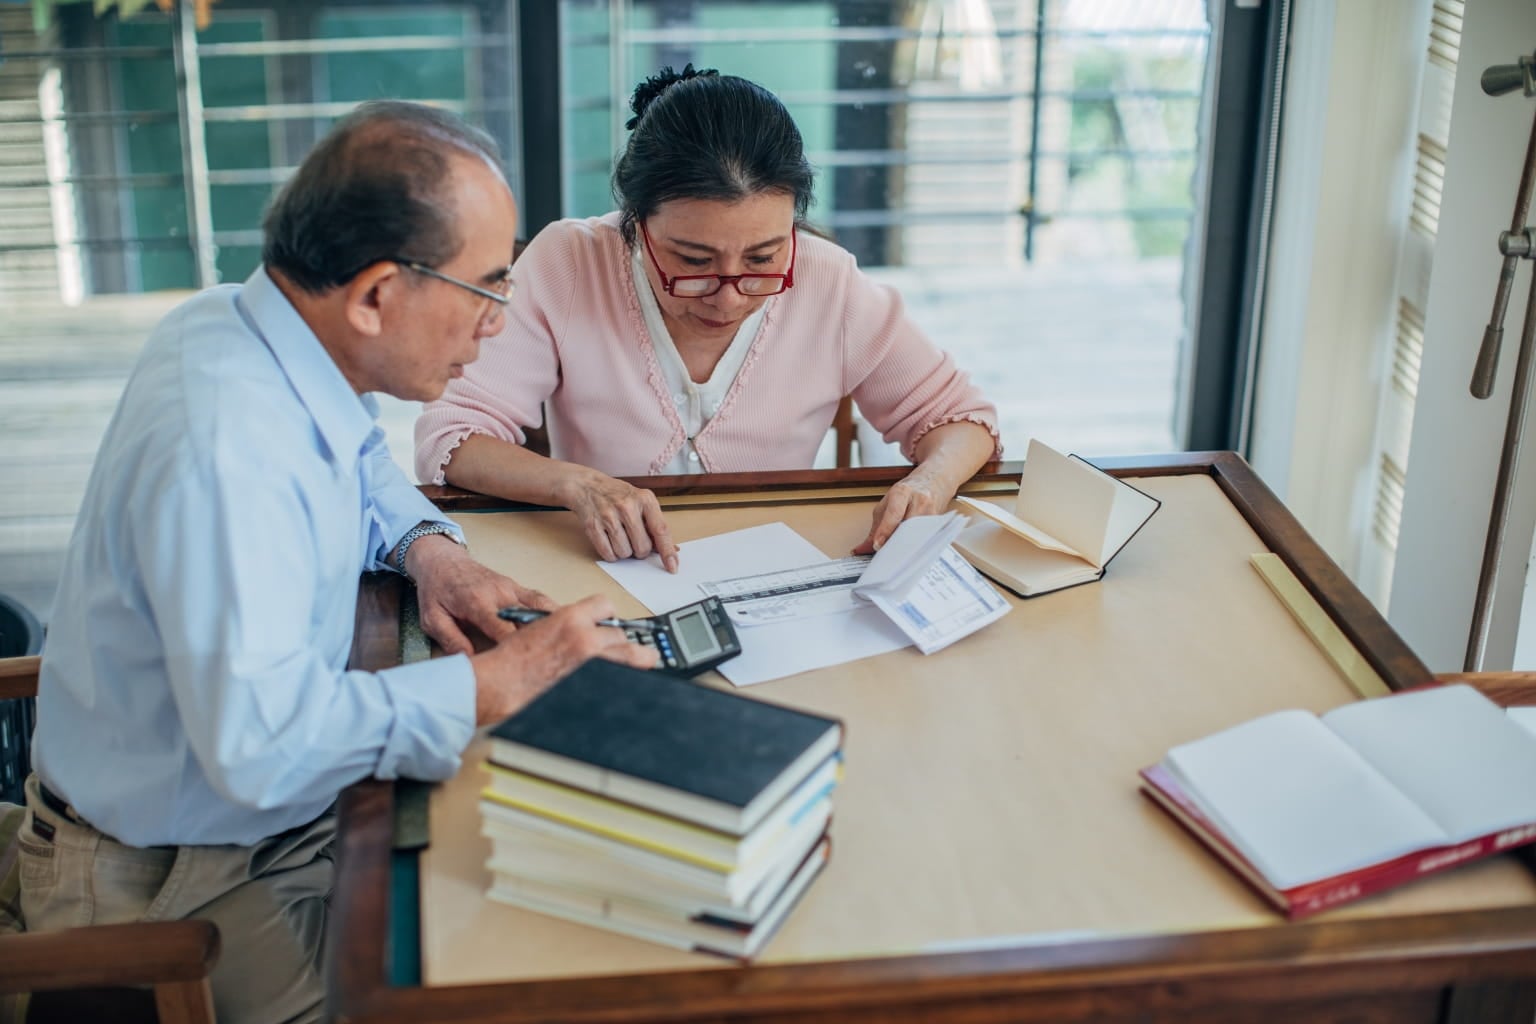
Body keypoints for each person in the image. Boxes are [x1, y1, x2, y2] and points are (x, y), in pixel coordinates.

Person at [17, 101, 656, 1024]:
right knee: (517, 979)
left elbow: (361, 464)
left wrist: (431, 550)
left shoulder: (237, 326)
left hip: (264, 829)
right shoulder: (227, 456)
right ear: (374, 296)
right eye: (487, 290)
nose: (499, 326)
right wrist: (498, 684)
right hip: (171, 891)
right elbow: (260, 750)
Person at [416, 66, 1001, 572]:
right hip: (601, 566)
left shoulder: (828, 281)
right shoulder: (570, 262)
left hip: (774, 572)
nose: (727, 297)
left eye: (763, 258)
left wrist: (929, 481)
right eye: (693, 262)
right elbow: (451, 436)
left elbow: (962, 419)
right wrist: (577, 483)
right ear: (635, 222)